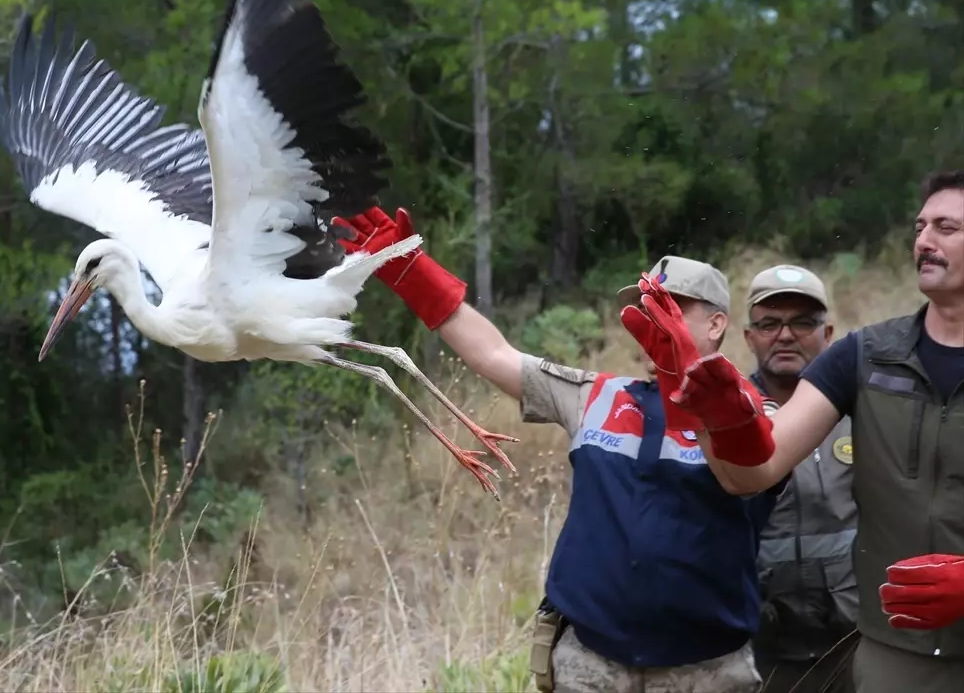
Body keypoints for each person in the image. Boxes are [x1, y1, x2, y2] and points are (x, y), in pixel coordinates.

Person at [333, 206, 781, 693]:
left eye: (673, 306)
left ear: (716, 324)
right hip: (589, 662)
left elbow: (756, 463)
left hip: (706, 670)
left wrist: (692, 380)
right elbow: (495, 355)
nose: (655, 318)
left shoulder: (753, 414)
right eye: (648, 306)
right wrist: (410, 270)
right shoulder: (598, 394)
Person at [624, 169, 964, 693]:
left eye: (946, 227)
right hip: (894, 659)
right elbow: (753, 471)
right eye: (920, 226)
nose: (924, 240)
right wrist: (715, 413)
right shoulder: (865, 357)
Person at [743, 265, 859, 692]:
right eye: (770, 323)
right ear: (749, 337)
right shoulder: (726, 418)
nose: (786, 335)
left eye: (802, 322)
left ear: (828, 333)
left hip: (855, 646)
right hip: (760, 649)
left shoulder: (865, 411)